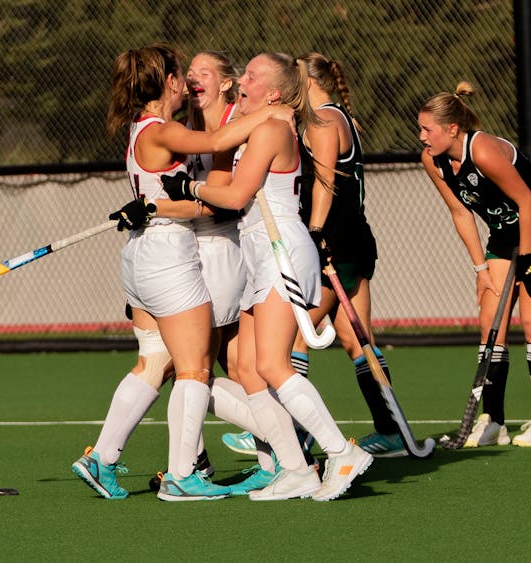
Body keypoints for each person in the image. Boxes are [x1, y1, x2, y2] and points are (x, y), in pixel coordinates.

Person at [71, 43, 287, 502]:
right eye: (179, 74)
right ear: (168, 82)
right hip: (169, 257)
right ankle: (184, 474)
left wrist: (159, 202)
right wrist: (277, 112)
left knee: (153, 363)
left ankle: (102, 458)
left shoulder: (141, 129)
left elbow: (190, 200)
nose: (185, 81)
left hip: (142, 256)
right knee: (194, 369)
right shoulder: (162, 130)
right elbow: (214, 143)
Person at [163, 52, 374, 501]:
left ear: (274, 92)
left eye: (253, 76)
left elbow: (237, 195)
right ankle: (296, 469)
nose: (243, 79)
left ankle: (341, 452)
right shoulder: (261, 123)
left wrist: (190, 188)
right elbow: (218, 137)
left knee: (274, 365)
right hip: (259, 256)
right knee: (251, 370)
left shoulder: (272, 129)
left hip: (283, 253)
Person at [220, 52, 408, 460]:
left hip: (333, 240)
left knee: (293, 340)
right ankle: (390, 428)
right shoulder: (344, 118)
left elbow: (323, 183)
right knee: (355, 339)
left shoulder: (323, 121)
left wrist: (317, 230)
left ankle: (293, 432)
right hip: (351, 239)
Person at [417, 81, 531, 447]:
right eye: (420, 128)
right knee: (491, 324)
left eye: (427, 129)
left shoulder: (484, 151)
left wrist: (529, 261)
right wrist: (480, 269)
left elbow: (527, 202)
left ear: (452, 129)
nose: (422, 136)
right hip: (504, 234)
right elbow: (460, 212)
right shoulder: (431, 160)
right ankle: (493, 422)